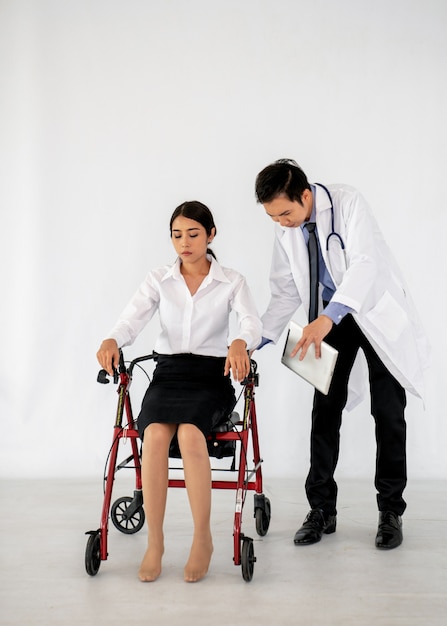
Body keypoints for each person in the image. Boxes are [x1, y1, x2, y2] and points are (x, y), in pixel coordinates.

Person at [254, 159, 429, 550]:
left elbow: (365, 264)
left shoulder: (349, 203)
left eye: (285, 213)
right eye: (273, 217)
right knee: (324, 409)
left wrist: (327, 319)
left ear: (305, 195)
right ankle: (321, 509)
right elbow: (284, 293)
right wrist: (254, 339)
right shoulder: (287, 231)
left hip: (370, 311)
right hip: (326, 318)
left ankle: (390, 510)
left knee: (388, 410)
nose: (281, 222)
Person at [96, 201, 262, 582]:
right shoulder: (159, 279)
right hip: (169, 373)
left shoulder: (231, 281)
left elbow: (250, 321)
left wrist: (240, 342)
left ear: (211, 235)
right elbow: (131, 319)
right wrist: (111, 339)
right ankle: (155, 543)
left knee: (190, 433)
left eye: (193, 234)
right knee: (152, 434)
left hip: (211, 375)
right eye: (176, 235)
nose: (184, 243)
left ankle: (202, 539)